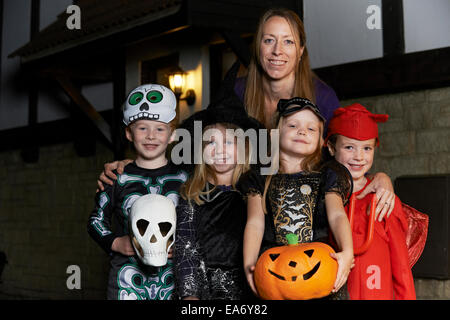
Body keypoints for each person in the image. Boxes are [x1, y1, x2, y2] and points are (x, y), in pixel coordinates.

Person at [96, 7, 395, 221]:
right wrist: (141, 165)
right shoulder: (236, 92)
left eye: (288, 41)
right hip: (237, 211)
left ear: (301, 50)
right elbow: (195, 148)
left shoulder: (322, 97)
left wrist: (379, 177)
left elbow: (344, 153)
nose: (277, 50)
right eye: (269, 40)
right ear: (258, 47)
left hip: (302, 215)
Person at [238, 97, 354, 299]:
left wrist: (347, 251)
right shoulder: (259, 178)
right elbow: (255, 223)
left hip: (319, 270)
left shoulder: (328, 175)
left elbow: (337, 215)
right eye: (293, 125)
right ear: (276, 133)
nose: (302, 131)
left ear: (321, 140)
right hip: (276, 270)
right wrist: (249, 263)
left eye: (311, 129)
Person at [87, 84, 188, 300]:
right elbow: (96, 221)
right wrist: (115, 242)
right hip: (126, 281)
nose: (151, 136)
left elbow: (198, 226)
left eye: (160, 129)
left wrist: (184, 247)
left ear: (172, 135)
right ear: (128, 133)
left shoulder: (185, 179)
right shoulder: (116, 177)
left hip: (174, 280)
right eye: (142, 128)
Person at [174, 63, 262, 300]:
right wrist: (190, 296)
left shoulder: (253, 191)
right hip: (204, 291)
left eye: (229, 142)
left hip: (247, 290)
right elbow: (185, 249)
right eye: (211, 142)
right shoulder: (191, 194)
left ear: (244, 147)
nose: (220, 150)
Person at [324, 103, 416, 299]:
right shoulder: (324, 198)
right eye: (349, 147)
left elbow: (401, 267)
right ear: (331, 148)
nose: (359, 157)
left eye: (367, 148)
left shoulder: (384, 199)